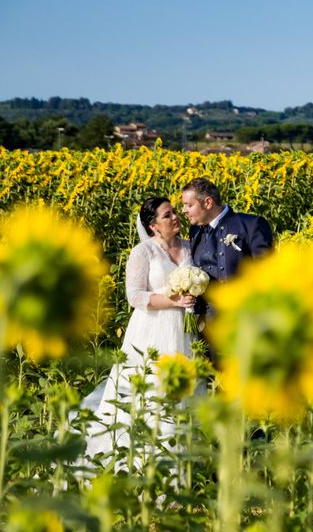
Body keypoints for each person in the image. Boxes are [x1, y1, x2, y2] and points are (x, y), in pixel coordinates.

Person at [75, 196, 197, 469]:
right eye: (167, 215)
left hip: (185, 329)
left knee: (185, 389)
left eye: (175, 212)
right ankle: (139, 458)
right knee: (149, 389)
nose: (175, 217)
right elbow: (135, 296)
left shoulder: (190, 247)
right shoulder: (143, 253)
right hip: (152, 330)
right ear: (153, 226)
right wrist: (173, 301)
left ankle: (184, 459)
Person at [181, 177, 273, 322]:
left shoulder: (251, 225)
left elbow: (267, 273)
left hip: (242, 319)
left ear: (208, 202)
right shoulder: (194, 230)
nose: (183, 210)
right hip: (204, 322)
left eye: (189, 205)